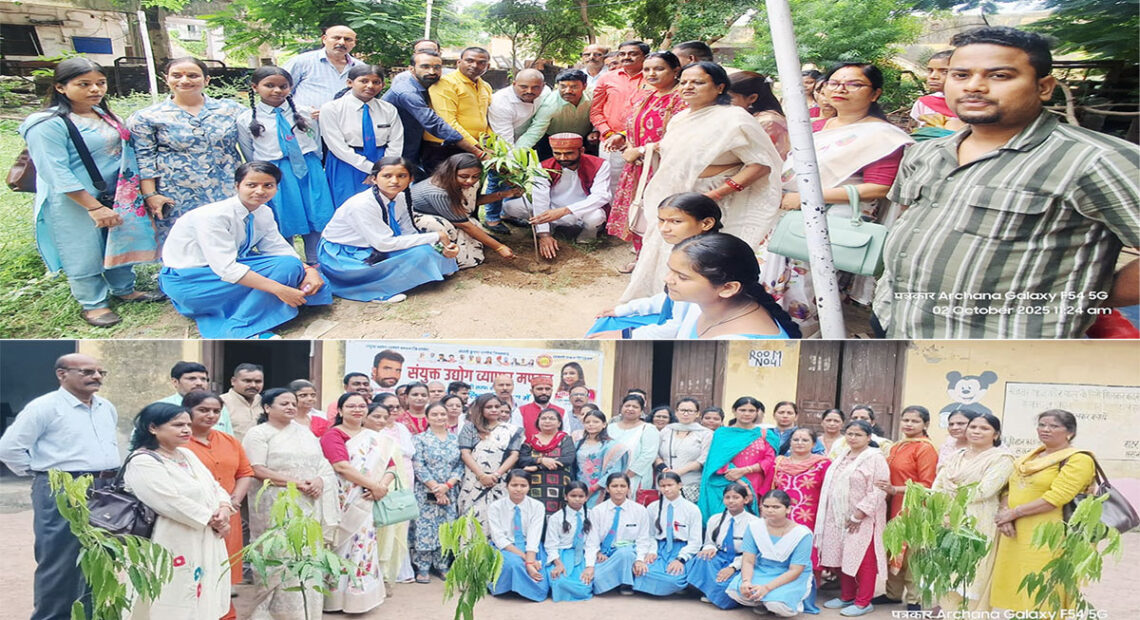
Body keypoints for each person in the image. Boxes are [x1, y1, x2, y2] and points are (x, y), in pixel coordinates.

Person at [877, 27, 1139, 339]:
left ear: (1043, 87)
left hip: (1001, 347)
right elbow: (909, 220)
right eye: (960, 75)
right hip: (895, 321)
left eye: (999, 76)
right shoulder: (926, 152)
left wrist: (1094, 294)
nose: (974, 86)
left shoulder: (1096, 159)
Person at [762, 62, 913, 335]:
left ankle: (804, 339)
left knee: (809, 290)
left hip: (833, 219)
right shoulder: (813, 125)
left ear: (875, 93)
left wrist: (809, 198)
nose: (841, 89)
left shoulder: (882, 136)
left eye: (854, 84)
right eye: (834, 82)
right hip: (788, 211)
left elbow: (880, 187)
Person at [19, 57, 161, 328]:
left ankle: (124, 288)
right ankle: (93, 303)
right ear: (60, 88)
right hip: (75, 200)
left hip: (117, 194)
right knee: (82, 248)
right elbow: (54, 170)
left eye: (100, 83)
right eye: (83, 84)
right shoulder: (47, 123)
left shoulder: (105, 115)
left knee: (118, 239)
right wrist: (92, 206)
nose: (95, 90)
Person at [621, 62, 782, 302]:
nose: (688, 87)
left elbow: (760, 165)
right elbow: (673, 151)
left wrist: (716, 195)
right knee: (667, 251)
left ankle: (699, 310)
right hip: (677, 198)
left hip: (712, 201)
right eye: (684, 82)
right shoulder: (681, 118)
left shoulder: (735, 119)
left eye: (698, 82)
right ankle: (660, 303)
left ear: (719, 87)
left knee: (701, 259)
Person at [0, 355, 120, 620]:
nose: (97, 377)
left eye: (101, 372)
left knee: (100, 556)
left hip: (105, 487)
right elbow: (9, 448)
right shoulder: (44, 407)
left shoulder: (106, 407)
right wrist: (40, 474)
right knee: (60, 560)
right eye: (88, 371)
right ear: (62, 374)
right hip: (63, 487)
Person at [159, 162, 332, 339]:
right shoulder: (213, 217)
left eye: (268, 185)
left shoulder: (263, 212)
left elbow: (278, 249)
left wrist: (308, 270)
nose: (260, 191)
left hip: (221, 274)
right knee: (287, 269)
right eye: (251, 185)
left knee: (291, 266)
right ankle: (241, 328)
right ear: (237, 186)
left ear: (276, 188)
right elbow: (227, 269)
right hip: (193, 282)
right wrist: (280, 289)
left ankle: (271, 304)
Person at [121, 403, 231, 619]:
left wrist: (224, 508)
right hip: (170, 539)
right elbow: (169, 501)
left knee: (202, 589)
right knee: (172, 593)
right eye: (178, 425)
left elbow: (214, 486)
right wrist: (212, 519)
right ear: (153, 427)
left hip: (203, 536)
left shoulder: (186, 455)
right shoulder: (143, 461)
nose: (186, 430)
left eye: (188, 424)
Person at [242, 388, 338, 619]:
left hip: (308, 503)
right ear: (267, 408)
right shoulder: (258, 434)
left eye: (293, 403)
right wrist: (296, 483)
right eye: (284, 403)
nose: (291, 407)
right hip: (275, 504)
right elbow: (257, 469)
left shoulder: (304, 432)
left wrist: (319, 480)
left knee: (308, 555)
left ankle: (308, 612)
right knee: (280, 555)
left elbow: (323, 464)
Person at [128, 57, 244, 243]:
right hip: (176, 194)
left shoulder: (231, 109)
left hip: (226, 189)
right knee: (183, 245)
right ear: (166, 78)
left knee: (228, 240)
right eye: (177, 75)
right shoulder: (148, 117)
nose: (184, 80)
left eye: (192, 75)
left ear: (206, 80)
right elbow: (144, 158)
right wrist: (151, 195)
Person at [990, 409, 1096, 611]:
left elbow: (1056, 497)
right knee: (1017, 581)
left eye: (1054, 426)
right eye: (1042, 425)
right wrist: (1005, 516)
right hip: (1015, 531)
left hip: (1048, 533)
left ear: (1070, 432)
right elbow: (1008, 488)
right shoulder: (1029, 458)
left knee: (1043, 583)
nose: (1045, 429)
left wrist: (1013, 513)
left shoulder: (1078, 459)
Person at [603, 234, 802, 339]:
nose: (667, 279)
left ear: (728, 288)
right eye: (671, 270)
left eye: (682, 277)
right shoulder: (702, 301)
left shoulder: (739, 341)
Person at [319, 156, 459, 303]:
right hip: (345, 254)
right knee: (421, 254)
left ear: (411, 179)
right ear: (373, 179)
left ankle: (420, 270)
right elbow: (383, 244)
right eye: (387, 176)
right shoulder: (362, 205)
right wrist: (436, 236)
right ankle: (376, 290)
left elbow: (408, 231)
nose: (394, 181)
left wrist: (439, 246)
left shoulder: (401, 197)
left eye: (401, 176)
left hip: (377, 245)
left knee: (426, 251)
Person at [238, 66, 334, 264]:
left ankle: (318, 263)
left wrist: (315, 164)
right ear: (255, 87)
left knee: (316, 214)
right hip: (274, 173)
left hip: (309, 169)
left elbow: (316, 141)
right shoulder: (247, 119)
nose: (277, 90)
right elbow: (249, 152)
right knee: (282, 217)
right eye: (269, 85)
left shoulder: (306, 113)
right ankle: (287, 262)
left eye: (283, 86)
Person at [320, 391, 400, 613]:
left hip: (368, 499)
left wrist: (381, 486)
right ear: (340, 410)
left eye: (361, 406)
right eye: (351, 406)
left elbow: (391, 466)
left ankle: (359, 597)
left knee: (363, 543)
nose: (357, 409)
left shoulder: (375, 437)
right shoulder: (333, 435)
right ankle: (334, 599)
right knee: (339, 544)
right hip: (342, 498)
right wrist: (373, 485)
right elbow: (341, 467)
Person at [605, 51, 686, 267]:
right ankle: (641, 260)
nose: (651, 74)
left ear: (675, 70)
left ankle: (664, 264)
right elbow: (631, 127)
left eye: (659, 69)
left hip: (663, 168)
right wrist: (626, 142)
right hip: (638, 167)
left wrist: (641, 150)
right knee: (639, 212)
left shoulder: (681, 100)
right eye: (647, 69)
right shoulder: (646, 95)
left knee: (663, 214)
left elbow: (683, 137)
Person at [181, 390, 254, 620]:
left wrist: (233, 501)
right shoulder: (179, 443)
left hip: (227, 515)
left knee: (223, 572)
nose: (211, 415)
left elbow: (245, 472)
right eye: (203, 410)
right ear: (187, 411)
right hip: (195, 517)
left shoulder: (229, 440)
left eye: (216, 411)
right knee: (196, 572)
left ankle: (225, 615)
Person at [930, 413, 1014, 612]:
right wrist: (943, 511)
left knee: (974, 571)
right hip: (947, 519)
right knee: (947, 569)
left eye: (984, 428)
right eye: (973, 427)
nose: (976, 431)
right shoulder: (956, 456)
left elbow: (984, 490)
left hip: (979, 520)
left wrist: (950, 493)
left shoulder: (1002, 459)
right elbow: (937, 485)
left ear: (996, 434)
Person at [815, 420, 890, 617]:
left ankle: (864, 601)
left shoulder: (875, 458)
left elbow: (879, 490)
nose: (853, 438)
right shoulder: (842, 456)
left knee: (863, 561)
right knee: (841, 556)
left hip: (864, 518)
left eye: (858, 434)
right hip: (838, 517)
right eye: (849, 433)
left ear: (868, 437)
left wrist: (859, 514)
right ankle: (847, 596)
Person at [874, 405, 938, 609]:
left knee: (912, 554)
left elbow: (928, 484)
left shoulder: (925, 448)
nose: (909, 424)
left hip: (914, 507)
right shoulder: (897, 446)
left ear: (925, 424)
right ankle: (892, 593)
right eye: (906, 420)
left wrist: (896, 489)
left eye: (915, 421)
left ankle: (914, 599)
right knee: (893, 548)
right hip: (893, 505)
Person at [411, 153, 521, 268]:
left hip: (450, 216)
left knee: (473, 228)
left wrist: (504, 194)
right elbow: (465, 225)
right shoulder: (438, 192)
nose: (470, 181)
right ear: (450, 173)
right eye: (464, 176)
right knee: (459, 231)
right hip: (423, 218)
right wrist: (499, 247)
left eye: (475, 176)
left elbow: (472, 201)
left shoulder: (462, 183)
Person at [512, 133, 611, 256]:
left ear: (582, 150)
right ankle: (549, 228)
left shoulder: (600, 165)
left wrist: (566, 210)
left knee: (596, 216)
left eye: (569, 153)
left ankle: (588, 233)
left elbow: (601, 196)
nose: (563, 158)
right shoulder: (544, 167)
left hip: (582, 209)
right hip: (552, 208)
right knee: (511, 207)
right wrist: (544, 234)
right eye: (557, 153)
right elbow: (540, 199)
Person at [321, 65, 404, 208]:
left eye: (376, 82)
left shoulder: (388, 109)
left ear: (383, 85)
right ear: (349, 83)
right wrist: (372, 169)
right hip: (346, 162)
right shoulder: (332, 109)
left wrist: (385, 169)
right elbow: (337, 146)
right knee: (347, 204)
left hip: (383, 160)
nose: (370, 86)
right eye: (364, 81)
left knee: (381, 204)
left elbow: (396, 140)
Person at [724, 490, 817, 616]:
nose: (770, 510)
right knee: (735, 592)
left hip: (788, 574)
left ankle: (770, 603)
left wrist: (766, 588)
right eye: (766, 506)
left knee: (778, 605)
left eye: (776, 507)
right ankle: (762, 602)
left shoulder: (802, 534)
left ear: (788, 509)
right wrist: (746, 581)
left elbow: (795, 570)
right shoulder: (754, 527)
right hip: (763, 569)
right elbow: (748, 560)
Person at [382, 51, 476, 168]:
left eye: (437, 67)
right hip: (394, 149)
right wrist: (477, 151)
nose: (432, 72)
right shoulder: (407, 92)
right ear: (411, 69)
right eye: (425, 67)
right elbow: (434, 122)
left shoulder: (430, 87)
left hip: (413, 146)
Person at [365, 400, 416, 585]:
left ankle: (384, 577)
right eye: (376, 416)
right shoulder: (360, 438)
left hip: (389, 488)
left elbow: (394, 467)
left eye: (384, 417)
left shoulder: (389, 440)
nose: (382, 420)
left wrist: (382, 486)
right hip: (361, 492)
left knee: (390, 532)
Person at [411, 401, 463, 583]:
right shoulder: (419, 439)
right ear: (427, 418)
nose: (439, 418)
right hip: (425, 490)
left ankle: (442, 564)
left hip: (450, 490)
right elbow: (418, 465)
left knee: (446, 526)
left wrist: (446, 486)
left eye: (443, 414)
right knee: (424, 526)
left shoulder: (456, 439)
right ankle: (422, 566)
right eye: (434, 415)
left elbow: (461, 465)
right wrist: (435, 487)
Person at [699, 396, 776, 519]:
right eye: (742, 410)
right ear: (734, 411)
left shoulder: (765, 434)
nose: (747, 414)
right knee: (724, 521)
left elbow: (770, 460)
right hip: (727, 482)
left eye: (751, 411)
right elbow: (717, 461)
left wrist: (745, 470)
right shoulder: (722, 433)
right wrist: (743, 484)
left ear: (757, 412)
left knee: (751, 522)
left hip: (756, 482)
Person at [772, 428, 831, 587]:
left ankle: (810, 587)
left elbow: (830, 491)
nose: (799, 443)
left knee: (808, 548)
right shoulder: (779, 462)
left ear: (813, 443)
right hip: (780, 516)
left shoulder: (823, 464)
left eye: (805, 440)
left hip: (810, 516)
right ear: (789, 442)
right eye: (796, 439)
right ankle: (778, 584)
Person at [591, 41, 649, 194]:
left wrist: (623, 136)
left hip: (643, 143)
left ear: (645, 56)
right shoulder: (606, 78)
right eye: (622, 54)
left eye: (633, 53)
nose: (626, 57)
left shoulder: (653, 79)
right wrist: (609, 134)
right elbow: (596, 112)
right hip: (611, 143)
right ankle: (612, 218)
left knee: (642, 185)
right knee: (611, 186)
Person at [581, 473, 655, 595]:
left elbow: (643, 539)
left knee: (625, 553)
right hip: (605, 555)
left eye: (623, 486)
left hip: (629, 553)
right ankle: (615, 580)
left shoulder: (640, 510)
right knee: (596, 580)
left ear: (629, 488)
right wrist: (590, 565)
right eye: (614, 486)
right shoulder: (597, 511)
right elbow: (592, 541)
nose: (619, 490)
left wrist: (640, 559)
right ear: (607, 489)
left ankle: (626, 583)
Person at [457, 393, 524, 527]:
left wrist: (496, 475)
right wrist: (481, 475)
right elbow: (465, 453)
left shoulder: (512, 430)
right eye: (489, 407)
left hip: (499, 482)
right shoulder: (470, 427)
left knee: (499, 522)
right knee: (471, 522)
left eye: (497, 407)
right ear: (480, 409)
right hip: (473, 481)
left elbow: (514, 455)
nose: (494, 410)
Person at [423, 47, 494, 174]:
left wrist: (489, 143)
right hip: (445, 149)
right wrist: (477, 148)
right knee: (442, 192)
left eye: (481, 62)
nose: (475, 65)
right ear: (459, 62)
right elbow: (448, 122)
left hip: (473, 149)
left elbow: (486, 119)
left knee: (470, 191)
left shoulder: (486, 86)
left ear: (487, 66)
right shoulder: (445, 84)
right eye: (469, 60)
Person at [688, 483, 759, 609]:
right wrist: (709, 549)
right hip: (720, 557)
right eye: (727, 497)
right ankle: (713, 590)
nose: (731, 501)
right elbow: (709, 542)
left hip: (742, 561)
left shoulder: (754, 523)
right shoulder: (715, 519)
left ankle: (714, 591)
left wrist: (732, 567)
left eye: (736, 497)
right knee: (701, 558)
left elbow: (754, 554)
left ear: (746, 500)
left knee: (727, 591)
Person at [633, 472, 704, 596]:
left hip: (682, 549)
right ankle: (665, 585)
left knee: (674, 579)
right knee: (642, 572)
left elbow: (695, 541)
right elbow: (649, 534)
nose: (666, 489)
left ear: (680, 485)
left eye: (670, 485)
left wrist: (680, 559)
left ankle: (673, 584)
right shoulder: (652, 507)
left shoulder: (692, 509)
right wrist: (652, 551)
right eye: (662, 486)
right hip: (660, 548)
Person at [487, 471, 551, 600]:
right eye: (514, 485)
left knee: (541, 585)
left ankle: (524, 587)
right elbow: (498, 538)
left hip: (530, 547)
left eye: (523, 485)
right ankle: (507, 588)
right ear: (506, 486)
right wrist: (528, 562)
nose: (518, 489)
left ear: (529, 487)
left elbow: (534, 535)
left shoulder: (537, 506)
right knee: (514, 564)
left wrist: (530, 558)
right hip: (506, 547)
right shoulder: (495, 507)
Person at [515, 69, 596, 160]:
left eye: (574, 87)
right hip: (551, 142)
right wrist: (514, 155)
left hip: (584, 140)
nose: (568, 91)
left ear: (584, 86)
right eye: (563, 86)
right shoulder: (550, 104)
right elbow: (534, 132)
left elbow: (603, 113)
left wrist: (595, 130)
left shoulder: (593, 95)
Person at [282, 25, 360, 113]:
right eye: (336, 38)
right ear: (324, 39)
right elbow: (281, 92)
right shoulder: (301, 62)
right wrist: (304, 111)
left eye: (347, 39)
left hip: (345, 123)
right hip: (306, 123)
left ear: (354, 43)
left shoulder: (360, 67)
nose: (342, 42)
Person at [519, 408, 577, 513]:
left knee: (556, 520)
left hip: (559, 486)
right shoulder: (530, 440)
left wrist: (538, 467)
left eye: (551, 418)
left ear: (559, 423)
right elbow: (522, 459)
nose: (547, 421)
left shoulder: (565, 439)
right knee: (535, 517)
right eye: (544, 418)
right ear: (538, 422)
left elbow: (567, 459)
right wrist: (541, 460)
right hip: (534, 486)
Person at [544, 481, 594, 601]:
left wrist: (589, 566)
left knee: (585, 585)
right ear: (566, 496)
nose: (577, 499)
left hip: (582, 555)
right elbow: (550, 544)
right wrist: (558, 563)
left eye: (581, 496)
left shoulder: (592, 515)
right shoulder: (556, 518)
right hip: (563, 554)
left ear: (586, 497)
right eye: (573, 496)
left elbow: (592, 543)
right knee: (559, 581)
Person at [656, 397, 711, 502]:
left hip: (691, 483)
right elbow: (655, 454)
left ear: (697, 413)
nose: (686, 414)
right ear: (676, 412)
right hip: (665, 482)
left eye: (690, 411)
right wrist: (664, 469)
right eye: (682, 410)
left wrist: (678, 472)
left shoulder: (705, 433)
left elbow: (704, 458)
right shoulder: (666, 430)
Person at [728, 71, 790, 159]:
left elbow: (758, 162)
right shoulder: (750, 116)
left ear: (752, 98)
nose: (721, 102)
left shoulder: (768, 122)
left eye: (729, 98)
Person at [606, 394, 660, 496]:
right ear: (621, 408)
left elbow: (648, 455)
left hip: (635, 477)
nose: (630, 409)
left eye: (635, 407)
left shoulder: (648, 429)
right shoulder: (610, 428)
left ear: (641, 411)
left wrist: (627, 475)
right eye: (627, 406)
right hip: (610, 476)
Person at [159, 361, 233, 434]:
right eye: (192, 379)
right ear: (175, 382)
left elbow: (229, 438)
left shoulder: (217, 408)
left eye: (203, 379)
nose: (199, 383)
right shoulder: (162, 408)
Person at [575, 409, 629, 508]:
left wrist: (593, 489)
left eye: (595, 422)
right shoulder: (578, 443)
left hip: (602, 489)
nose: (591, 424)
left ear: (604, 424)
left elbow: (614, 471)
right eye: (587, 422)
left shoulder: (613, 446)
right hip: (578, 489)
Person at [909, 50, 965, 138]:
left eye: (944, 71)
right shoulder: (924, 103)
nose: (933, 76)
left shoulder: (974, 104)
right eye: (930, 71)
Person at [511, 376, 564, 443]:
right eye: (540, 389)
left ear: (552, 391)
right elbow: (517, 438)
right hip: (527, 451)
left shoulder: (562, 411)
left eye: (547, 389)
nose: (544, 392)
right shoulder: (521, 411)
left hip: (555, 452)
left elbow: (565, 436)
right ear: (531, 391)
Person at [829, 405, 894, 458]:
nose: (858, 421)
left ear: (872, 422)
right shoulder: (840, 443)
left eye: (864, 418)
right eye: (854, 418)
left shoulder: (884, 445)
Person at [219, 363, 264, 438]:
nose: (253, 385)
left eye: (258, 381)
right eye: (247, 381)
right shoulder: (220, 403)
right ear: (233, 381)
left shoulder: (266, 403)